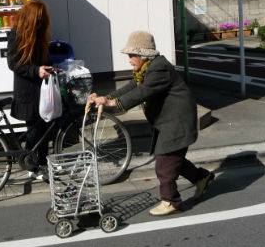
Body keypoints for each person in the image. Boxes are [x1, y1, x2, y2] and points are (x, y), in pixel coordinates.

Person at [89, 30, 213, 216]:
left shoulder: (159, 69)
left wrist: (114, 103)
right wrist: (106, 98)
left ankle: (171, 201)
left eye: (131, 55)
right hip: (168, 120)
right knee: (173, 159)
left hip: (177, 121)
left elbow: (142, 92)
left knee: (164, 164)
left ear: (143, 55)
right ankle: (201, 178)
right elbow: (132, 87)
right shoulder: (146, 69)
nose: (129, 60)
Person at [6, 0, 60, 181]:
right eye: (38, 19)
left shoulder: (40, 34)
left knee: (44, 128)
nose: (40, 23)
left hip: (42, 90)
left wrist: (51, 67)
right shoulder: (16, 35)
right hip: (27, 91)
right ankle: (32, 165)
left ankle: (42, 163)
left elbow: (43, 59)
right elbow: (13, 64)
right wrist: (36, 71)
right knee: (34, 130)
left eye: (42, 19)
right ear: (29, 18)